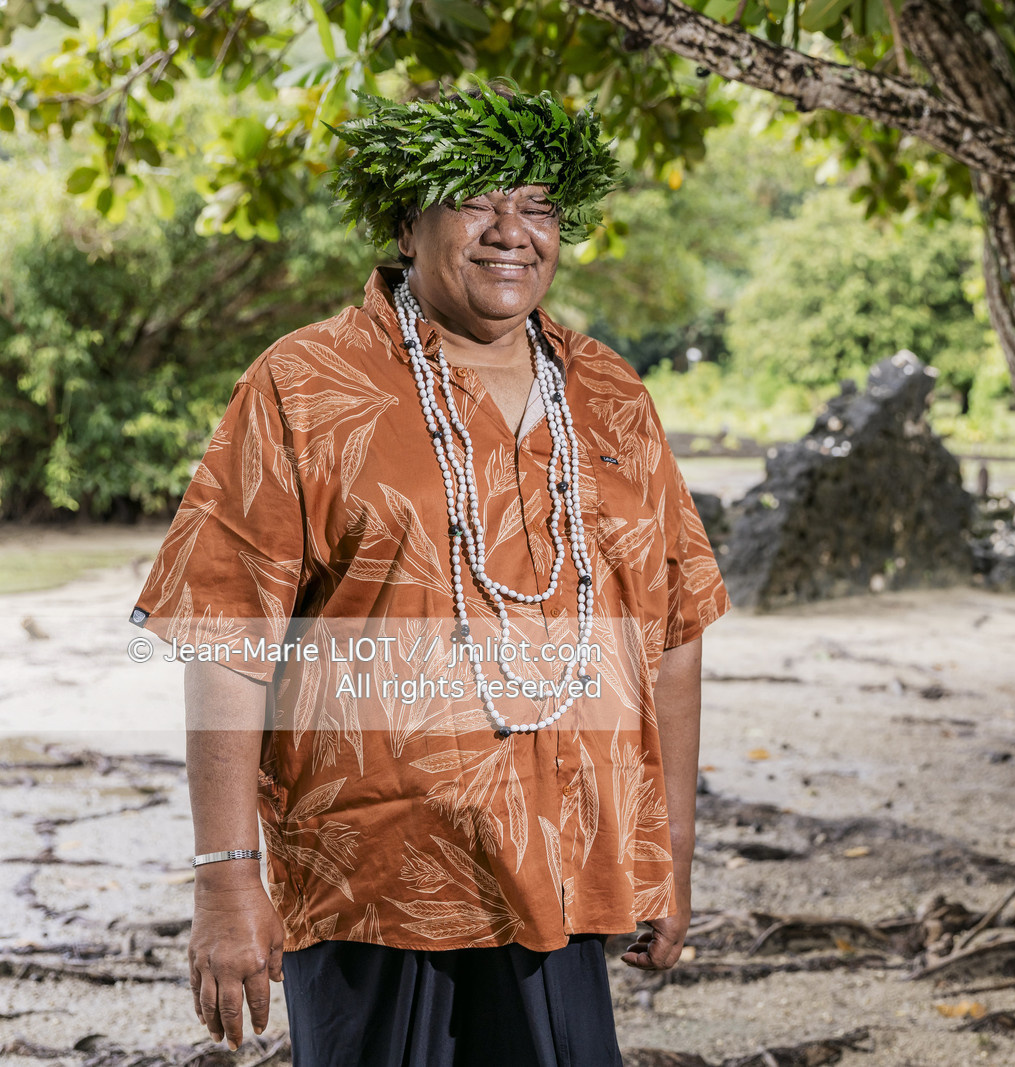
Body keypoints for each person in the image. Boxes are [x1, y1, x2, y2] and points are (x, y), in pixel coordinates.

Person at [130, 83, 730, 1066]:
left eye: (537, 205)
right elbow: (225, 633)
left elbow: (672, 633)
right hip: (375, 882)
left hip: (567, 871)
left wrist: (669, 855)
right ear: (409, 221)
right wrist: (225, 878)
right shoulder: (306, 384)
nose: (511, 231)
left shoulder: (613, 396)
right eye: (475, 198)